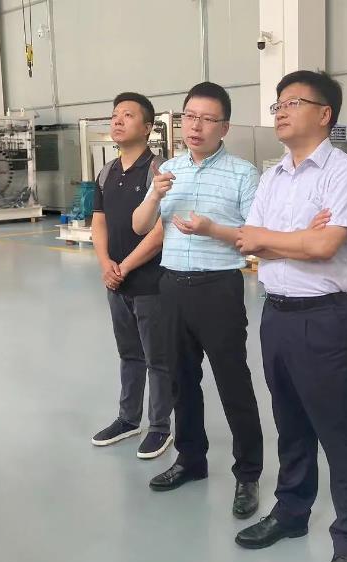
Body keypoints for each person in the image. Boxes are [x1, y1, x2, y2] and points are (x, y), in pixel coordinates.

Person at [234, 70, 347, 562]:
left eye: (292, 102)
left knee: (339, 432)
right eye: (277, 104)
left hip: (325, 318)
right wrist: (295, 237)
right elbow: (248, 241)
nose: (280, 111)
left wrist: (282, 240)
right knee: (290, 423)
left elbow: (324, 247)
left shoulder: (346, 173)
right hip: (275, 314)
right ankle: (292, 512)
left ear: (324, 113)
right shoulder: (271, 176)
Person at [132, 82, 263, 519]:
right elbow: (139, 226)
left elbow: (254, 237)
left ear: (224, 127)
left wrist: (213, 230)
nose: (196, 126)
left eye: (208, 119)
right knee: (180, 380)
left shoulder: (243, 173)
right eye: (190, 116)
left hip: (218, 288)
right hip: (171, 287)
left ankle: (248, 473)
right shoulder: (168, 169)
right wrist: (155, 194)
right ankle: (191, 459)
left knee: (232, 382)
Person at [90, 92, 174, 460]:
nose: (118, 121)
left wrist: (124, 267)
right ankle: (128, 419)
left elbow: (161, 230)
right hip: (116, 283)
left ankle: (160, 427)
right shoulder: (106, 172)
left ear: (148, 127)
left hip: (151, 283)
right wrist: (105, 263)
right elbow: (99, 221)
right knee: (129, 354)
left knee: (158, 358)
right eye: (114, 115)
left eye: (128, 115)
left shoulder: (160, 171)